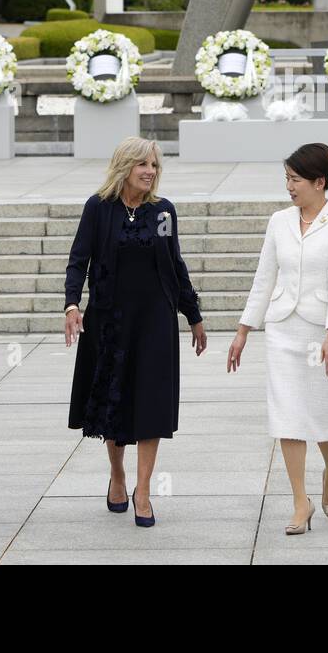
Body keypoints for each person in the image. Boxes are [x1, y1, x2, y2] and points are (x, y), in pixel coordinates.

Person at [64, 136, 207, 528]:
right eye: (143, 164)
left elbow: (176, 265)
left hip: (156, 322)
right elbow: (79, 260)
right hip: (110, 322)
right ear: (124, 167)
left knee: (151, 403)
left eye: (155, 165)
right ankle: (118, 473)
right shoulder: (98, 208)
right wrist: (72, 304)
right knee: (114, 403)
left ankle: (143, 490)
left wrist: (193, 315)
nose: (150, 172)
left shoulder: (163, 211)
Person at [227, 143, 328, 536]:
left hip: (321, 331)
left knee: (325, 414)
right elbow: (264, 277)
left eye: (295, 179)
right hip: (283, 327)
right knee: (287, 414)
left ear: (320, 182)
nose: (289, 186)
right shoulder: (278, 221)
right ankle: (300, 501)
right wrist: (243, 330)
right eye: (286, 178)